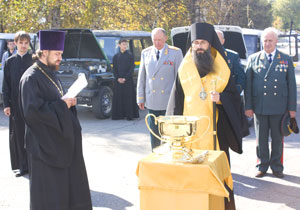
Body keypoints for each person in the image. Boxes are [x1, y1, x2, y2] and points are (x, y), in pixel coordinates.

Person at [166, 22, 243, 210]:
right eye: (196, 43)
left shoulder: (223, 67)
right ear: (191, 45)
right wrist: (172, 132)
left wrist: (222, 99)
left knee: (217, 178)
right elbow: (176, 101)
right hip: (189, 137)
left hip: (217, 135)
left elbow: (235, 98)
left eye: (203, 43)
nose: (199, 46)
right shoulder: (184, 69)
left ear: (210, 44)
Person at [19, 30, 92, 210]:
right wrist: (62, 105)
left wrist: (69, 102)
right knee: (49, 198)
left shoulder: (50, 72)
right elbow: (32, 113)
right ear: (44, 52)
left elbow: (55, 101)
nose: (60, 58)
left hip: (59, 145)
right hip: (44, 149)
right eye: (57, 54)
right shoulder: (30, 78)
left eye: (61, 54)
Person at [244, 27, 297, 179]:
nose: (267, 44)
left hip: (279, 106)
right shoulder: (254, 59)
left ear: (276, 42)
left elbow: (291, 85)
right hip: (259, 106)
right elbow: (248, 85)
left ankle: (277, 167)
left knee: (277, 139)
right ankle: (262, 165)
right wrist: (248, 106)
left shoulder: (285, 59)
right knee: (261, 139)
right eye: (265, 41)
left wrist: (292, 108)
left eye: (270, 41)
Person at [137, 28, 183, 151]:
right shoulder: (146, 53)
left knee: (168, 134)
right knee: (154, 133)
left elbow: (180, 79)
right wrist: (140, 97)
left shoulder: (175, 53)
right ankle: (155, 156)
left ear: (165, 38)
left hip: (168, 100)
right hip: (152, 100)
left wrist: (180, 100)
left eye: (160, 40)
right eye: (154, 40)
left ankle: (169, 158)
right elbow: (142, 77)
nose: (157, 43)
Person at [2, 31, 32, 177]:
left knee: (32, 134)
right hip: (15, 105)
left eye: (26, 43)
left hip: (32, 104)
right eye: (21, 42)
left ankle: (33, 165)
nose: (23, 46)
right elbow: (5, 85)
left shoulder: (33, 60)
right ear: (16, 43)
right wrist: (6, 104)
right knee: (18, 135)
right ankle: (22, 166)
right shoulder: (10, 61)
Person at [111, 39, 139, 120]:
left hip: (128, 80)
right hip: (118, 80)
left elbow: (131, 68)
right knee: (118, 98)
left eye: (126, 44)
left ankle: (129, 115)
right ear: (119, 45)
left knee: (128, 98)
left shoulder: (130, 55)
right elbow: (114, 69)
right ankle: (119, 115)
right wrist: (118, 78)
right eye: (123, 44)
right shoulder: (116, 56)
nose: (125, 46)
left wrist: (125, 78)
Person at [216, 30, 245, 94]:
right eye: (214, 39)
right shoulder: (206, 55)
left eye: (218, 39)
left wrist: (234, 92)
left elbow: (241, 77)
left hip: (228, 98)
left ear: (223, 41)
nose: (215, 41)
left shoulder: (233, 56)